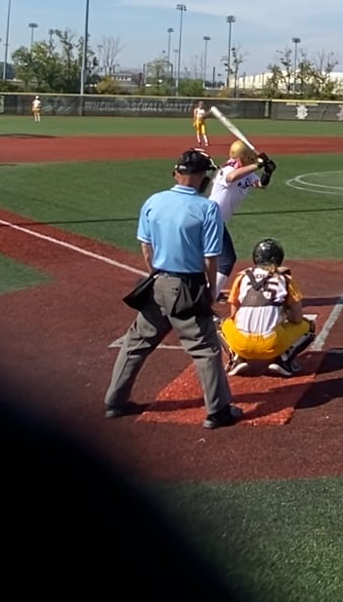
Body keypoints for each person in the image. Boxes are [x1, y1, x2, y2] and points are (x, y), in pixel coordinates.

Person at [104, 149, 242, 428]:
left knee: (135, 344)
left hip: (158, 284)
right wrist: (210, 290)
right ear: (203, 177)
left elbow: (146, 247)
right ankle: (217, 411)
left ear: (176, 173)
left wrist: (156, 275)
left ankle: (114, 402)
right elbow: (210, 258)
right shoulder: (207, 208)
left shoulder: (154, 201)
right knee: (205, 348)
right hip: (188, 286)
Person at [221, 239, 316, 378]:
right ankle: (284, 360)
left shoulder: (242, 277)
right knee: (309, 327)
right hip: (271, 344)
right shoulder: (285, 279)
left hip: (241, 343)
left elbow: (234, 315)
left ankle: (235, 357)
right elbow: (297, 319)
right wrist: (284, 314)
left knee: (224, 324)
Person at [208, 140, 275, 296]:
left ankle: (208, 291)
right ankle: (209, 298)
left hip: (217, 221)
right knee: (226, 261)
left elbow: (261, 184)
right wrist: (257, 165)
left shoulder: (246, 172)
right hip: (211, 219)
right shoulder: (228, 169)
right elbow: (231, 177)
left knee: (212, 258)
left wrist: (268, 172)